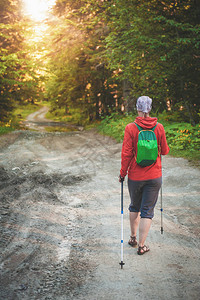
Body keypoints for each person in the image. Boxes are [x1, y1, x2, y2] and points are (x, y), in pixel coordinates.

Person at [119, 96, 170, 255]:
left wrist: (122, 173)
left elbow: (126, 154)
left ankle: (133, 238)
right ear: (150, 108)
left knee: (135, 206)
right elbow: (165, 151)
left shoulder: (131, 128)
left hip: (135, 176)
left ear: (137, 108)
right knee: (147, 211)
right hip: (154, 177)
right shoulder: (159, 127)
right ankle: (142, 246)